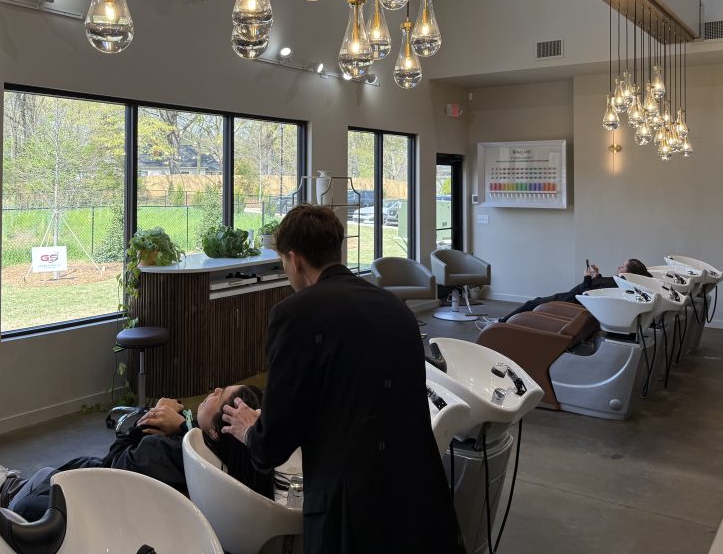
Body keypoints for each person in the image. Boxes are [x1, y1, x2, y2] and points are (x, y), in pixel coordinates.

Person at [221, 204, 463, 554]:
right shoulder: (394, 307)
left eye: (283, 263)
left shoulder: (295, 315)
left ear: (295, 260)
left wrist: (249, 430)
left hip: (353, 514)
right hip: (422, 500)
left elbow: (274, 443)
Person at [0, 384, 272, 521]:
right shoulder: (242, 469)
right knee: (74, 465)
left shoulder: (161, 452)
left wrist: (150, 416)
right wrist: (183, 427)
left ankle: (3, 489)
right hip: (135, 501)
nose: (215, 390)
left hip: (101, 504)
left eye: (220, 396)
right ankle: (10, 485)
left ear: (216, 431)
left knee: (56, 475)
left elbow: (111, 464)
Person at [495, 258, 653, 323]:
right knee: (535, 302)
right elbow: (600, 287)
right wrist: (596, 276)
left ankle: (501, 322)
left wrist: (587, 278)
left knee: (533, 303)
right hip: (571, 296)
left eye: (622, 266)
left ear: (630, 273)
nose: (619, 267)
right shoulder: (619, 282)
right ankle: (503, 321)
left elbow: (588, 295)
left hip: (572, 301)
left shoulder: (619, 285)